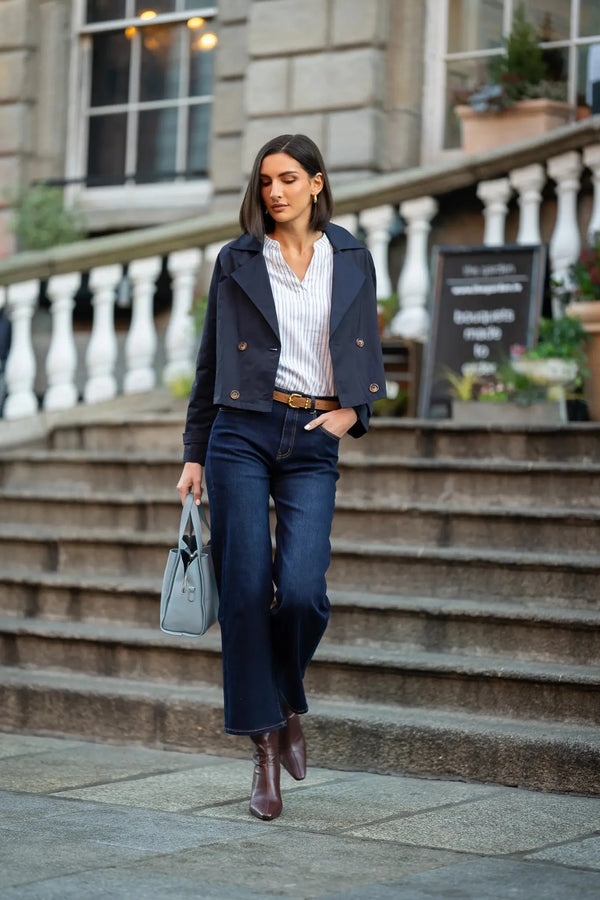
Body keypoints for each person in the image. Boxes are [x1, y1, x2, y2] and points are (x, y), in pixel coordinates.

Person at [176, 134, 386, 821]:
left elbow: (366, 346)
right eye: (266, 180)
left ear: (317, 184)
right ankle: (264, 749)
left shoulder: (350, 256)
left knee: (300, 591)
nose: (275, 191)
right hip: (241, 432)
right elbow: (212, 359)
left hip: (313, 435)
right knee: (243, 587)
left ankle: (288, 696)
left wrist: (354, 410)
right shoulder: (238, 259)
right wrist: (194, 452)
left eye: (289, 178)